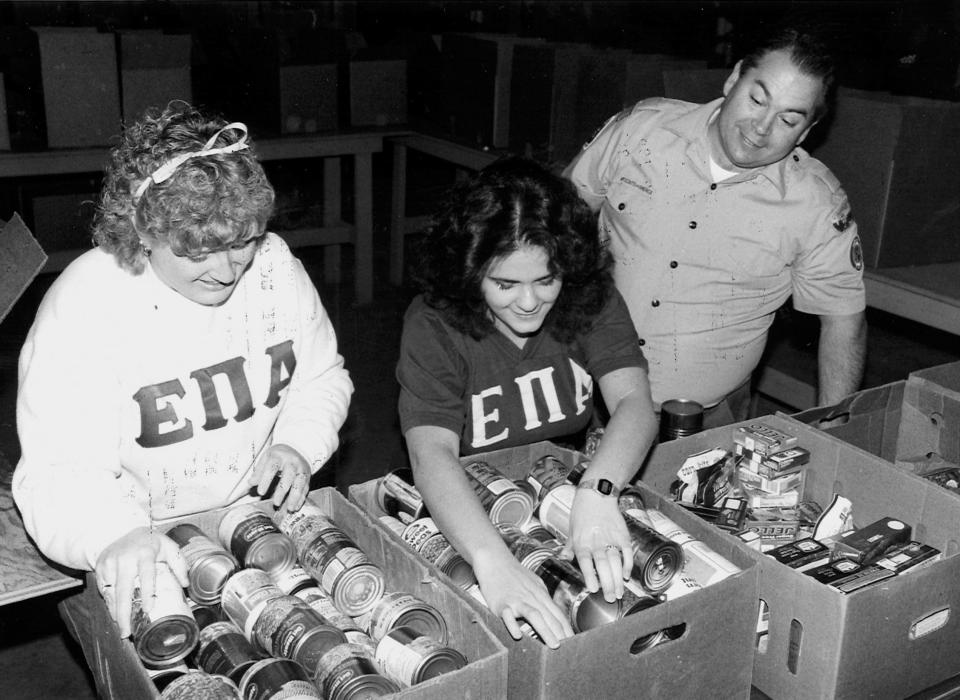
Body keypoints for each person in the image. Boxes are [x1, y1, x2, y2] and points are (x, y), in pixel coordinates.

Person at [12, 102, 353, 663]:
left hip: (255, 516)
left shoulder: (274, 268)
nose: (226, 269)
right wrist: (109, 534)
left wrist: (300, 440)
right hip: (139, 536)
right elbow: (57, 469)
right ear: (142, 229)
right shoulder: (88, 305)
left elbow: (320, 377)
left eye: (240, 241)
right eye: (198, 250)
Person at [396, 157, 658, 647]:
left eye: (546, 280)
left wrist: (599, 493)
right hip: (465, 504)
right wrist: (492, 560)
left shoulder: (590, 300)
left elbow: (635, 403)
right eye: (505, 284)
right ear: (471, 273)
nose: (529, 302)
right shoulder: (434, 326)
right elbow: (430, 452)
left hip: (558, 490)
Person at [565, 24, 867, 427]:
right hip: (582, 391)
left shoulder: (815, 204)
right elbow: (556, 220)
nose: (761, 127)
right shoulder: (640, 131)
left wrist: (834, 429)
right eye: (757, 99)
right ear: (733, 77)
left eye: (788, 120)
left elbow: (842, 320)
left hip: (707, 422)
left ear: (807, 132)